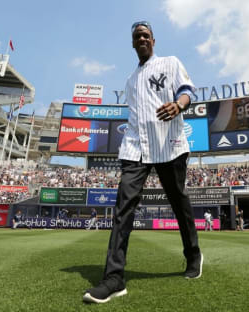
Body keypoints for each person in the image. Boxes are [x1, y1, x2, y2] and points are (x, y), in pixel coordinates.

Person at [83, 21, 202, 304]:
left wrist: (179, 105)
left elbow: (187, 90)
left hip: (169, 144)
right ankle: (114, 278)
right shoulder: (129, 81)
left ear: (154, 40)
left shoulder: (170, 63)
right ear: (133, 43)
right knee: (123, 207)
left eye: (146, 35)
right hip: (135, 148)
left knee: (178, 201)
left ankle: (193, 255)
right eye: (137, 36)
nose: (142, 39)